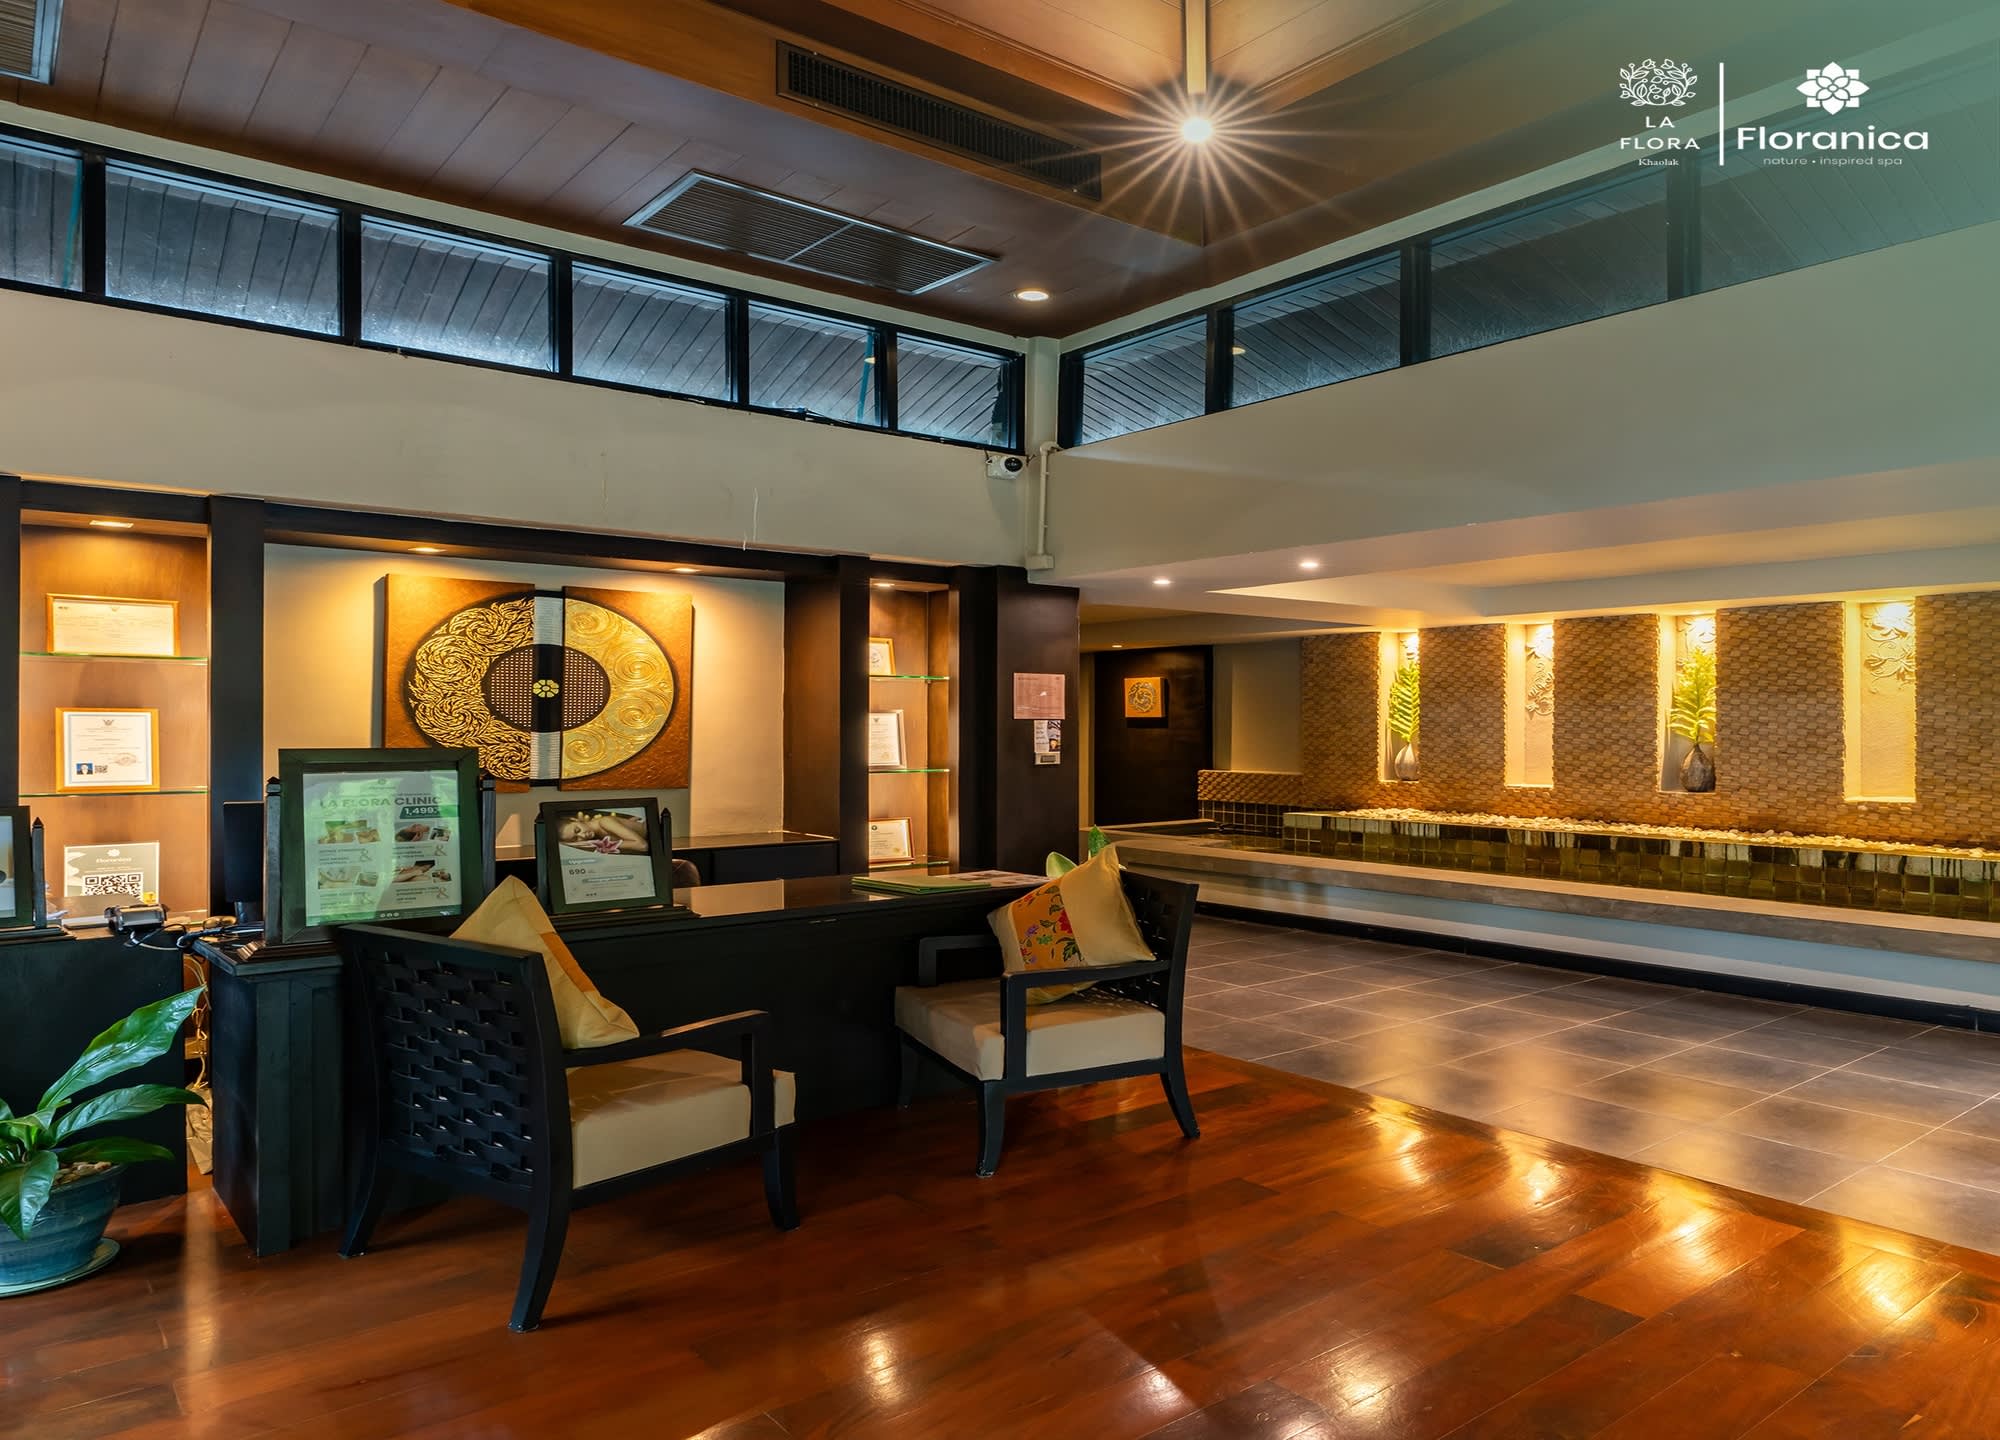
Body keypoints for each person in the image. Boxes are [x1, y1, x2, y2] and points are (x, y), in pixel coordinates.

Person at [557, 811, 650, 854]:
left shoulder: (604, 822)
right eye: (576, 838)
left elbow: (642, 845)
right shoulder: (598, 832)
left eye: (577, 830)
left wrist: (601, 845)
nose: (582, 836)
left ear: (575, 819)